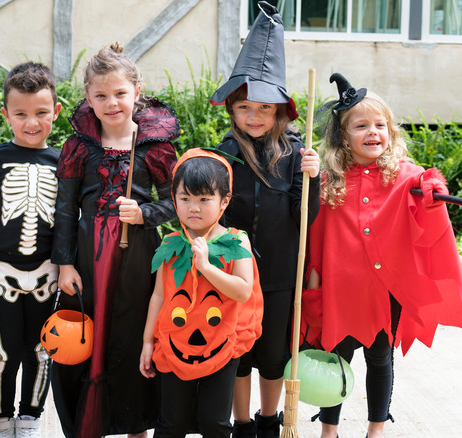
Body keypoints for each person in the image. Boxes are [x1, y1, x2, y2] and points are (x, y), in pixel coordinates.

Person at [302, 73, 462, 438]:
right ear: (344, 137)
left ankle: (376, 428)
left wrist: (433, 188)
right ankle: (330, 429)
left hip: (384, 289)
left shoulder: (404, 176)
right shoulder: (328, 181)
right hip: (341, 290)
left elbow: (427, 188)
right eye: (362, 126)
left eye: (380, 125)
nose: (373, 132)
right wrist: (314, 287)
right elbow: (315, 236)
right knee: (335, 358)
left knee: (380, 357)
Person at [51, 42, 179, 438]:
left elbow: (178, 201)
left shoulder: (155, 148)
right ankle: (87, 425)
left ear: (137, 93)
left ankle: (136, 426)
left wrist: (145, 213)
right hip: (88, 258)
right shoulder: (79, 147)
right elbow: (65, 209)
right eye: (101, 95)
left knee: (130, 334)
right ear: (87, 98)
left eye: (120, 93)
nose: (112, 103)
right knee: (87, 338)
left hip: (137, 258)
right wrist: (65, 263)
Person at [209, 3, 321, 437]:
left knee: (273, 353)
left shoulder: (295, 155)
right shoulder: (222, 153)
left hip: (278, 274)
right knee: (237, 350)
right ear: (232, 108)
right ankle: (240, 424)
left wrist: (311, 179)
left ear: (280, 112)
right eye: (244, 108)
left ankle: (269, 420)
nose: (253, 117)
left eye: (264, 108)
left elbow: (302, 217)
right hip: (232, 273)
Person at [140, 148, 263, 438]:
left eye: (204, 199)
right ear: (174, 200)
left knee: (215, 423)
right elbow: (159, 295)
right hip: (174, 345)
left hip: (221, 343)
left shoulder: (236, 240)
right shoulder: (170, 243)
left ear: (224, 201)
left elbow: (243, 291)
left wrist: (206, 267)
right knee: (171, 424)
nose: (194, 207)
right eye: (185, 199)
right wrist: (147, 341)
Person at [0, 61, 62, 438]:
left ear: (56, 112)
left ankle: (30, 418)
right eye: (21, 114)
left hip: (47, 272)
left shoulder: (63, 163)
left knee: (41, 351)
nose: (31, 123)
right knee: (1, 351)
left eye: (41, 113)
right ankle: (0, 419)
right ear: (6, 113)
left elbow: (69, 222)